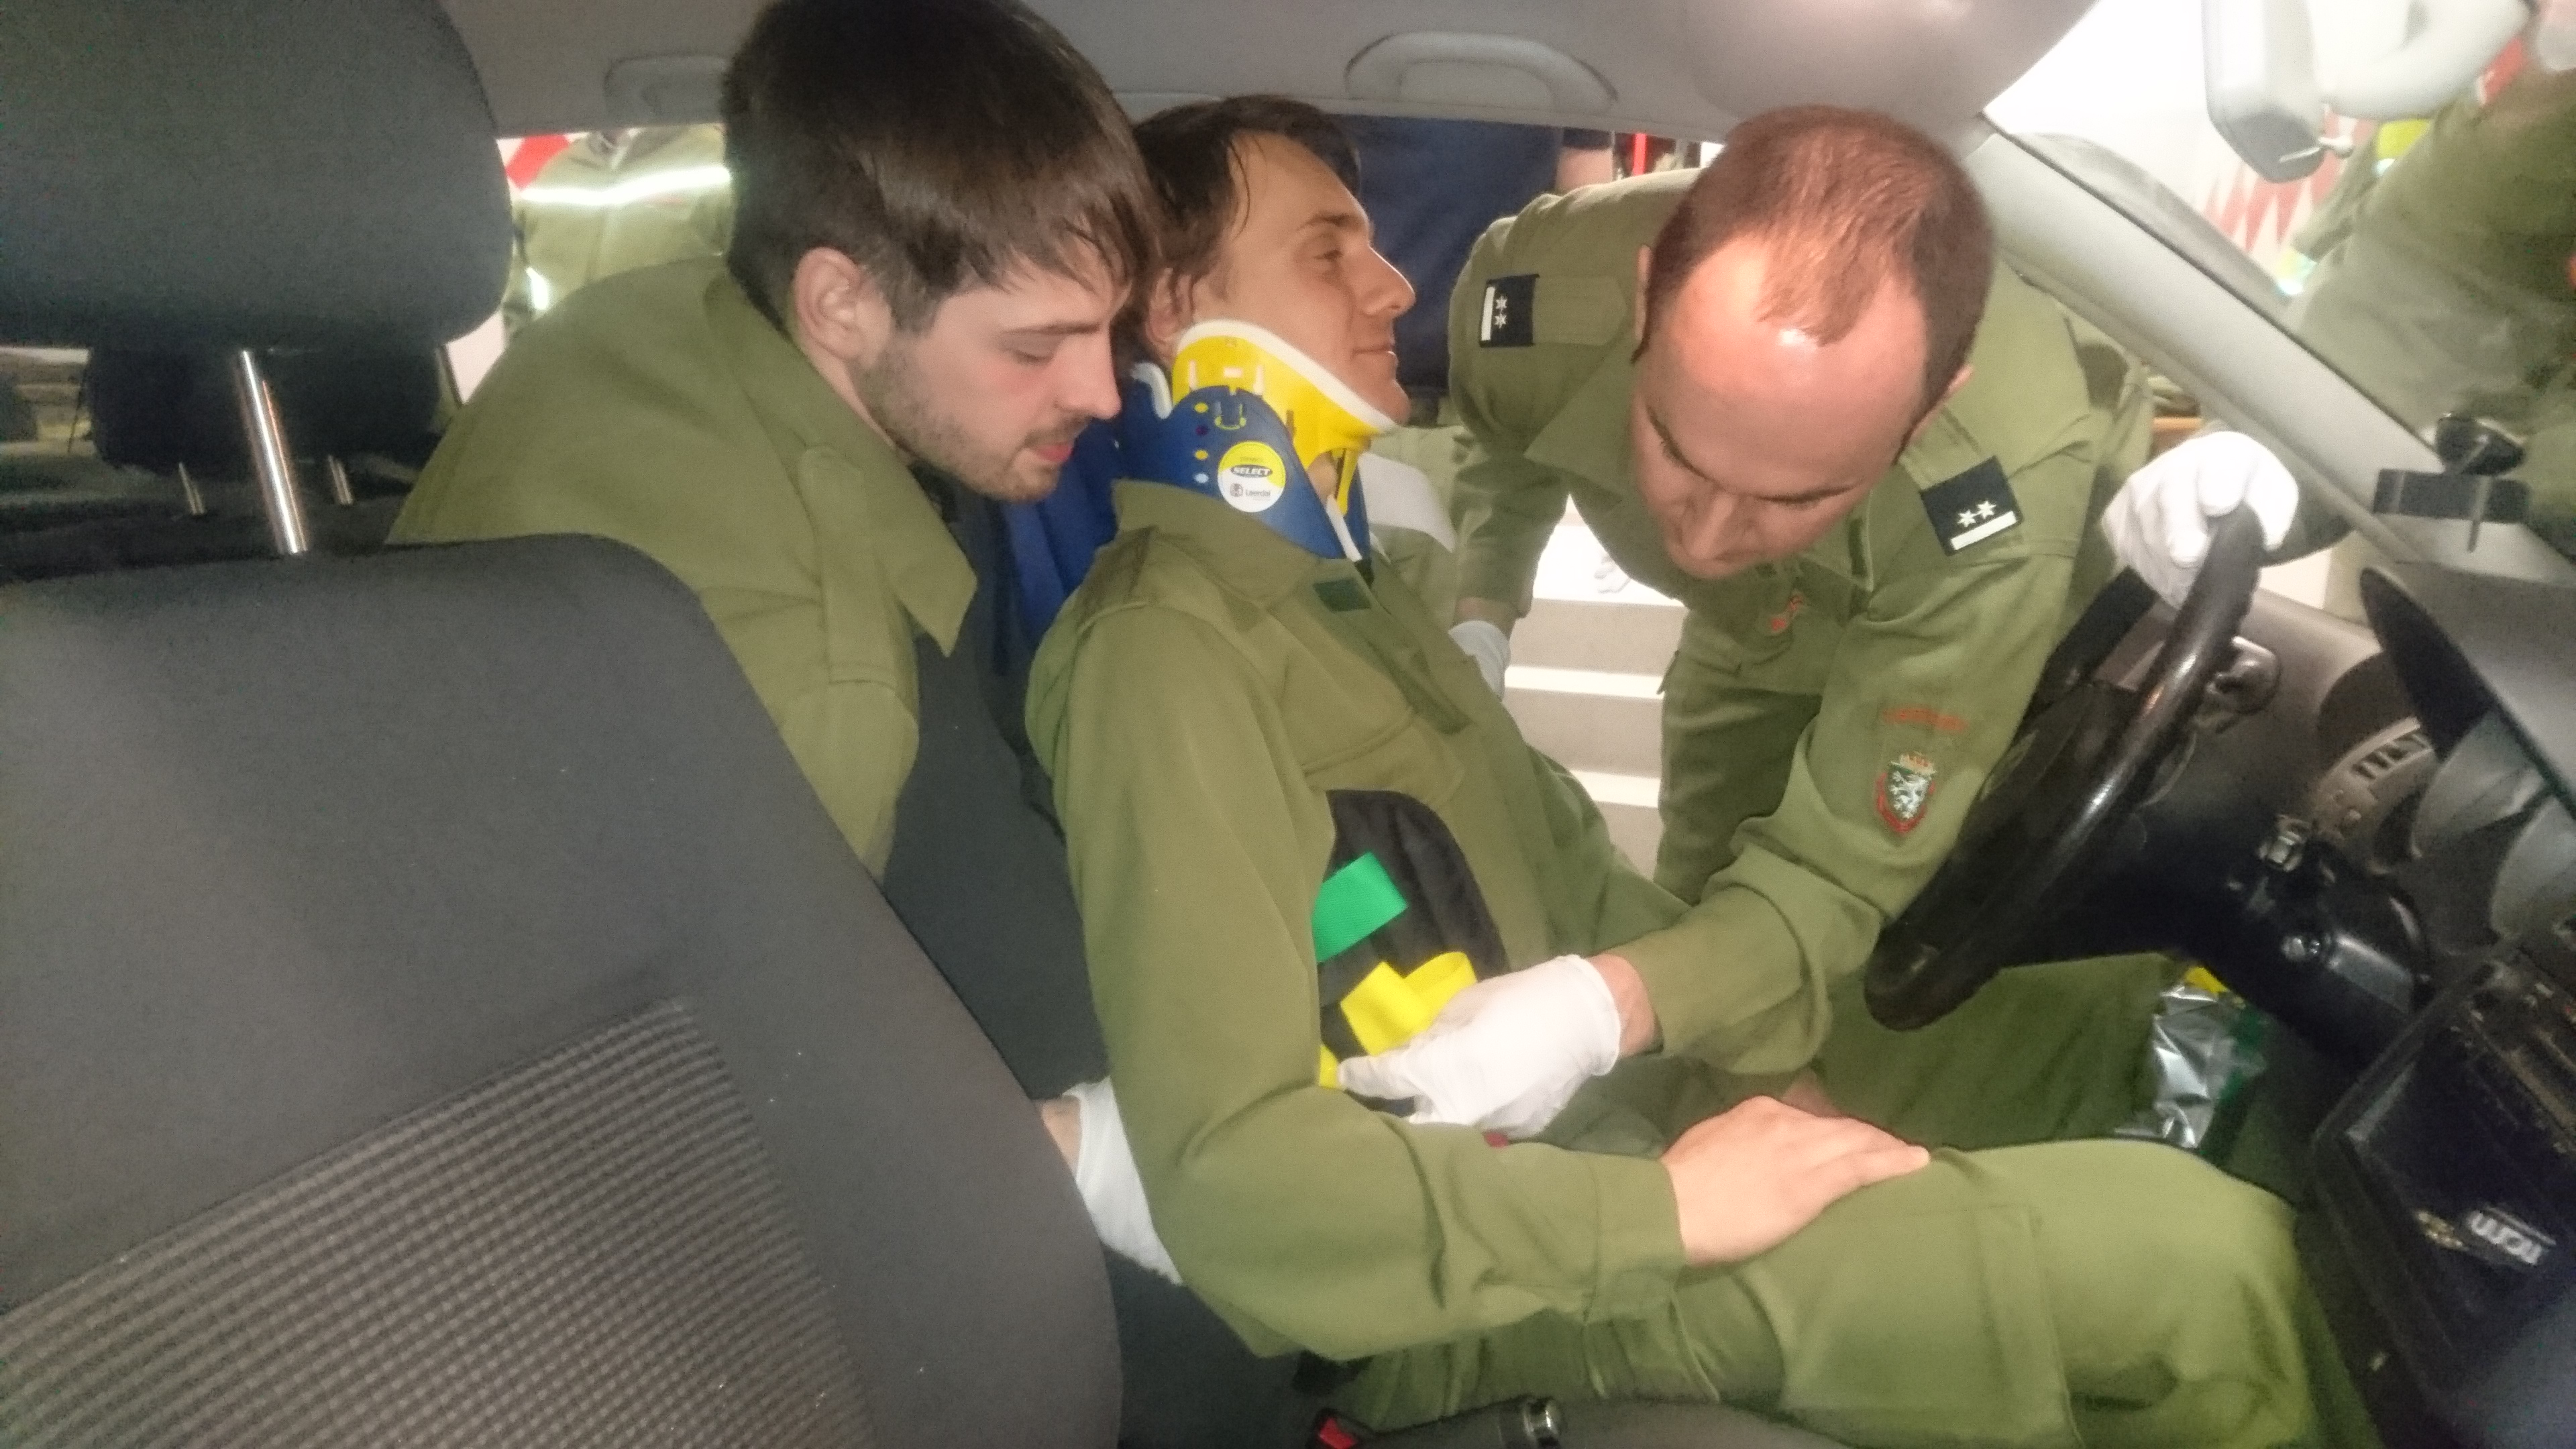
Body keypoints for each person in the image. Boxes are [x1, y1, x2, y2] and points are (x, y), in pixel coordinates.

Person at [1033, 98, 2371, 1446]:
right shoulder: (1167, 648)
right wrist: (1664, 1207)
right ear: (1170, 306)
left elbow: (1611, 883)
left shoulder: (1351, 599)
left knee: (2136, 1133)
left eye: (1794, 496)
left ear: (1933, 410)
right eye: (1330, 253)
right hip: (1492, 1269)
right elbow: (1237, 1183)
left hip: (1588, 1160)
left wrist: (1731, 1069)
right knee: (2216, 1273)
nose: (1393, 284)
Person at [1439, 108, 2300, 1024]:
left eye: (1794, 498)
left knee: (1976, 944)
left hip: (1985, 639)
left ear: (1927, 413)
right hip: (1754, 637)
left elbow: (1838, 869)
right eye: (1678, 452)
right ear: (1648, 300)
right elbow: (1503, 430)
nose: (1708, 541)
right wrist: (1483, 608)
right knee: (1704, 912)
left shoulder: (1994, 500)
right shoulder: (1534, 301)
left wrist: (1597, 1017)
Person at [393, 0, 1151, 881]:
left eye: (1108, 327)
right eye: (1033, 348)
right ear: (841, 304)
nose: (1100, 395)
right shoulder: (823, 686)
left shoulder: (616, 319)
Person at [500, 123, 734, 333]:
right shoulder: (553, 175)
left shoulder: (722, 162)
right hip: (559, 366)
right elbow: (519, 306)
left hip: (676, 367)